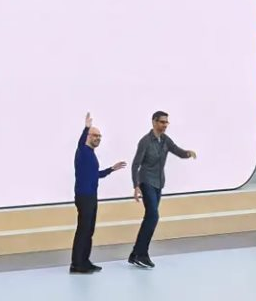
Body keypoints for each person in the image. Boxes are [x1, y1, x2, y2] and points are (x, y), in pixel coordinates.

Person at [129, 111, 196, 268]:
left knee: (150, 217)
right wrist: (136, 185)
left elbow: (177, 151)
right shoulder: (145, 141)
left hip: (159, 183)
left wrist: (188, 153)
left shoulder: (165, 140)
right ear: (154, 122)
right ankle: (142, 254)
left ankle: (135, 254)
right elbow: (135, 164)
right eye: (162, 122)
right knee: (153, 216)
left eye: (166, 122)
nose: (165, 125)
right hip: (146, 181)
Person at [71, 113, 126, 274]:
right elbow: (81, 142)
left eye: (100, 136)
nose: (98, 138)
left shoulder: (91, 154)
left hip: (91, 196)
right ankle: (76, 264)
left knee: (89, 230)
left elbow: (95, 175)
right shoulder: (82, 150)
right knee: (83, 230)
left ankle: (85, 261)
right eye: (95, 135)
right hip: (84, 196)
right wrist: (86, 127)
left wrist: (111, 169)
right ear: (88, 137)